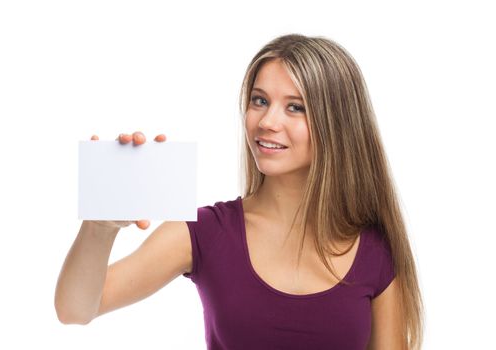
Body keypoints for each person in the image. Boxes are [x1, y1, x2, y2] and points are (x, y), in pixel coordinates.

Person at [55, 33, 424, 349]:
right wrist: (100, 226)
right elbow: (75, 309)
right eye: (259, 100)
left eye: (294, 107)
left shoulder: (375, 250)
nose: (266, 122)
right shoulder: (207, 232)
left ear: (337, 123)